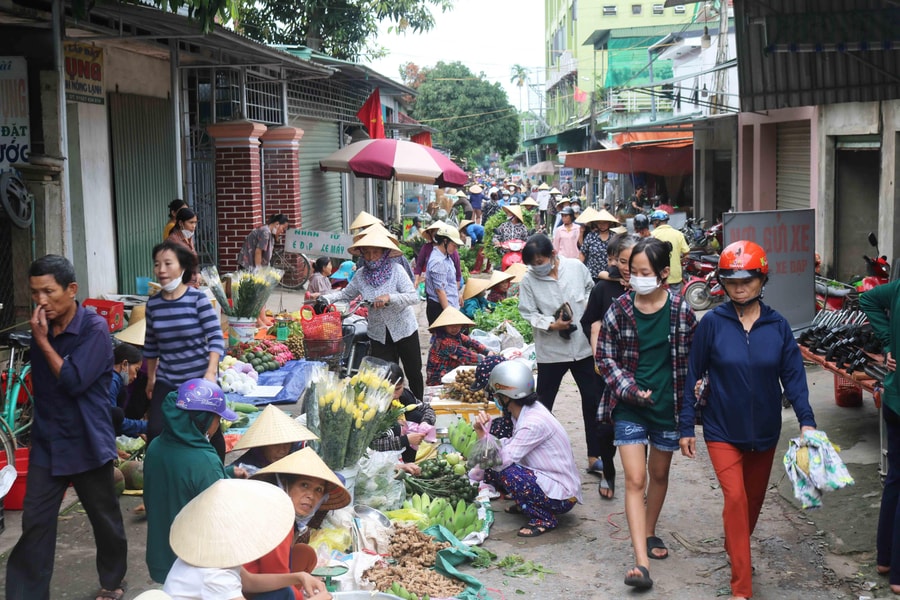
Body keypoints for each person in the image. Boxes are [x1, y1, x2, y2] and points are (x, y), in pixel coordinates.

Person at [680, 240, 816, 600]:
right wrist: (684, 427)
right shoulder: (712, 324)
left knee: (751, 505)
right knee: (736, 499)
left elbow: (795, 379)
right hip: (721, 428)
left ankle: (734, 542)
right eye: (732, 280)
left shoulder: (778, 326)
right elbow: (691, 374)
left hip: (766, 432)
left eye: (747, 279)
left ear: (762, 279)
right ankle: (742, 588)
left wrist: (807, 421)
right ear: (722, 283)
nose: (739, 287)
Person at [6, 255, 128, 600]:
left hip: (87, 438)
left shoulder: (94, 329)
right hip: (49, 441)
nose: (41, 301)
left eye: (49, 291)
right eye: (35, 293)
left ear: (71, 289)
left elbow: (74, 381)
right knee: (36, 524)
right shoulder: (42, 327)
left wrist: (42, 342)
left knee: (104, 520)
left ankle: (113, 580)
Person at [595, 237, 696, 591]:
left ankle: (650, 530)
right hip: (628, 407)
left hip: (667, 408)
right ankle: (640, 561)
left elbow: (694, 365)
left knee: (659, 474)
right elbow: (604, 358)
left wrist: (689, 418)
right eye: (631, 271)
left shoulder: (682, 311)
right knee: (635, 479)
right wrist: (628, 389)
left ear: (663, 273)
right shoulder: (619, 309)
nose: (634, 277)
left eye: (643, 272)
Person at [162, 478, 330, 600]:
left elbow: (249, 581)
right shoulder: (215, 577)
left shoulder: (215, 550)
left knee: (283, 592)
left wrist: (299, 577)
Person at [518, 233, 601, 475]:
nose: (537, 267)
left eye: (540, 261)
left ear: (553, 255)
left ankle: (594, 456)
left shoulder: (575, 267)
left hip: (582, 347)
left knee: (592, 400)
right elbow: (527, 312)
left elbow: (590, 289)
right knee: (542, 405)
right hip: (551, 352)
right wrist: (551, 324)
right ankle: (536, 458)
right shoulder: (528, 281)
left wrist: (585, 308)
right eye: (532, 264)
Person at [144, 379, 240, 584]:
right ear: (203, 419)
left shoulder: (155, 447)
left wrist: (228, 473)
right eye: (217, 418)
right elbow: (220, 515)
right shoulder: (205, 461)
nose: (218, 426)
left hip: (161, 557)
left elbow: (180, 484)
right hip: (194, 564)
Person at [471, 361, 583, 538]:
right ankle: (529, 503)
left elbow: (500, 462)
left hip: (563, 496)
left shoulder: (532, 423)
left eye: (496, 394)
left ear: (506, 396)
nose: (495, 399)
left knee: (507, 473)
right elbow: (508, 446)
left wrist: (481, 433)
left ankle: (543, 518)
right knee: (500, 465)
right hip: (549, 479)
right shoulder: (526, 412)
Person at [321, 231, 424, 400]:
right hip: (379, 334)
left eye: (375, 252)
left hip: (404, 329)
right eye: (367, 252)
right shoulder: (361, 275)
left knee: (413, 371)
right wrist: (324, 297)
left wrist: (389, 298)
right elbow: (346, 294)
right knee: (385, 376)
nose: (371, 257)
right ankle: (389, 411)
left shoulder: (396, 270)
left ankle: (418, 405)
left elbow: (413, 296)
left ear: (384, 253)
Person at [144, 241, 226, 455]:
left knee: (209, 431)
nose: (161, 270)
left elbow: (216, 337)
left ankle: (218, 477)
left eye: (168, 263)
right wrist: (151, 378)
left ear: (182, 267)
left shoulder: (197, 299)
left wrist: (210, 372)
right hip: (167, 380)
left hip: (198, 378)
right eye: (157, 264)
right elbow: (151, 345)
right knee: (155, 431)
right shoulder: (153, 305)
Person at [246, 448, 349, 600]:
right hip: (247, 589)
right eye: (304, 485)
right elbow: (276, 579)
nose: (311, 496)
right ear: (286, 485)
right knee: (284, 593)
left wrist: (300, 579)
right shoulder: (277, 518)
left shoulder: (284, 515)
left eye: (318, 490)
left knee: (305, 553)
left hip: (253, 580)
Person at [580, 233, 637, 499]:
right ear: (614, 260)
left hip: (639, 368)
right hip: (607, 369)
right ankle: (609, 471)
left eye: (632, 260)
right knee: (605, 425)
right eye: (622, 261)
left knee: (639, 423)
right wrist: (599, 350)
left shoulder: (647, 287)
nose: (627, 266)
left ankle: (639, 480)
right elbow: (588, 321)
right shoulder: (604, 288)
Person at [861, 278, 900, 594]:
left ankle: (885, 560)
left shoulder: (897, 287)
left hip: (894, 399)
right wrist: (888, 344)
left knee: (895, 480)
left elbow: (868, 299)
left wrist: (888, 344)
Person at [370, 362, 437, 464]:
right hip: (380, 459)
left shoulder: (405, 396)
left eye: (398, 389)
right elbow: (372, 444)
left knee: (416, 415)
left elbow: (427, 409)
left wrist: (426, 422)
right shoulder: (372, 406)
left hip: (406, 452)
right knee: (396, 428)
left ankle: (409, 462)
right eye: (388, 390)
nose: (394, 395)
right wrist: (405, 440)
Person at [229, 404, 319, 474]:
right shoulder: (245, 467)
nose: (282, 451)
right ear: (264, 445)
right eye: (276, 445)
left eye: (287, 444)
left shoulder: (298, 451)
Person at [426, 306, 492, 386]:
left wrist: (486, 351)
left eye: (457, 325)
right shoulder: (445, 342)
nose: (455, 328)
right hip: (438, 378)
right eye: (450, 326)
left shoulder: (458, 335)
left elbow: (471, 342)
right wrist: (488, 359)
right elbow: (465, 355)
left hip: (449, 370)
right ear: (444, 327)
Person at [424, 226, 464, 325]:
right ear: (445, 241)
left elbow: (450, 281)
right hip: (440, 308)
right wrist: (448, 314)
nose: (455, 249)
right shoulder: (437, 261)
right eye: (454, 245)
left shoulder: (446, 257)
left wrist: (457, 294)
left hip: (450, 305)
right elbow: (440, 290)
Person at [109, 343, 148, 438]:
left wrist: (135, 431)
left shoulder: (113, 380)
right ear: (124, 364)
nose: (135, 376)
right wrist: (148, 426)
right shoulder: (111, 382)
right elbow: (111, 420)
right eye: (136, 370)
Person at [650, 210, 690, 294]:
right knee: (674, 301)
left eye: (653, 222)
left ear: (657, 221)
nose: (653, 225)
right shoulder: (678, 234)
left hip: (658, 275)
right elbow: (686, 254)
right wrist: (679, 261)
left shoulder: (652, 235)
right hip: (675, 275)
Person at [413, 220, 461, 289]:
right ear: (430, 233)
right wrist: (416, 280)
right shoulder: (426, 248)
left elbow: (458, 274)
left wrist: (456, 291)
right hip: (432, 284)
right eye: (435, 232)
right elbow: (419, 266)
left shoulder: (452, 250)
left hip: (448, 285)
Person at [578, 208, 620, 281]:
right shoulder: (591, 236)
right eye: (599, 223)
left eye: (604, 223)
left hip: (610, 276)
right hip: (591, 275)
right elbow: (582, 253)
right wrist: (579, 268)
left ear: (609, 223)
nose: (602, 225)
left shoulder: (614, 237)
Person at [166, 207, 201, 287]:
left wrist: (197, 273)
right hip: (180, 287)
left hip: (193, 286)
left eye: (195, 223)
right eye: (191, 222)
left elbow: (194, 261)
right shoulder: (172, 241)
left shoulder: (189, 238)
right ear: (181, 223)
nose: (194, 226)